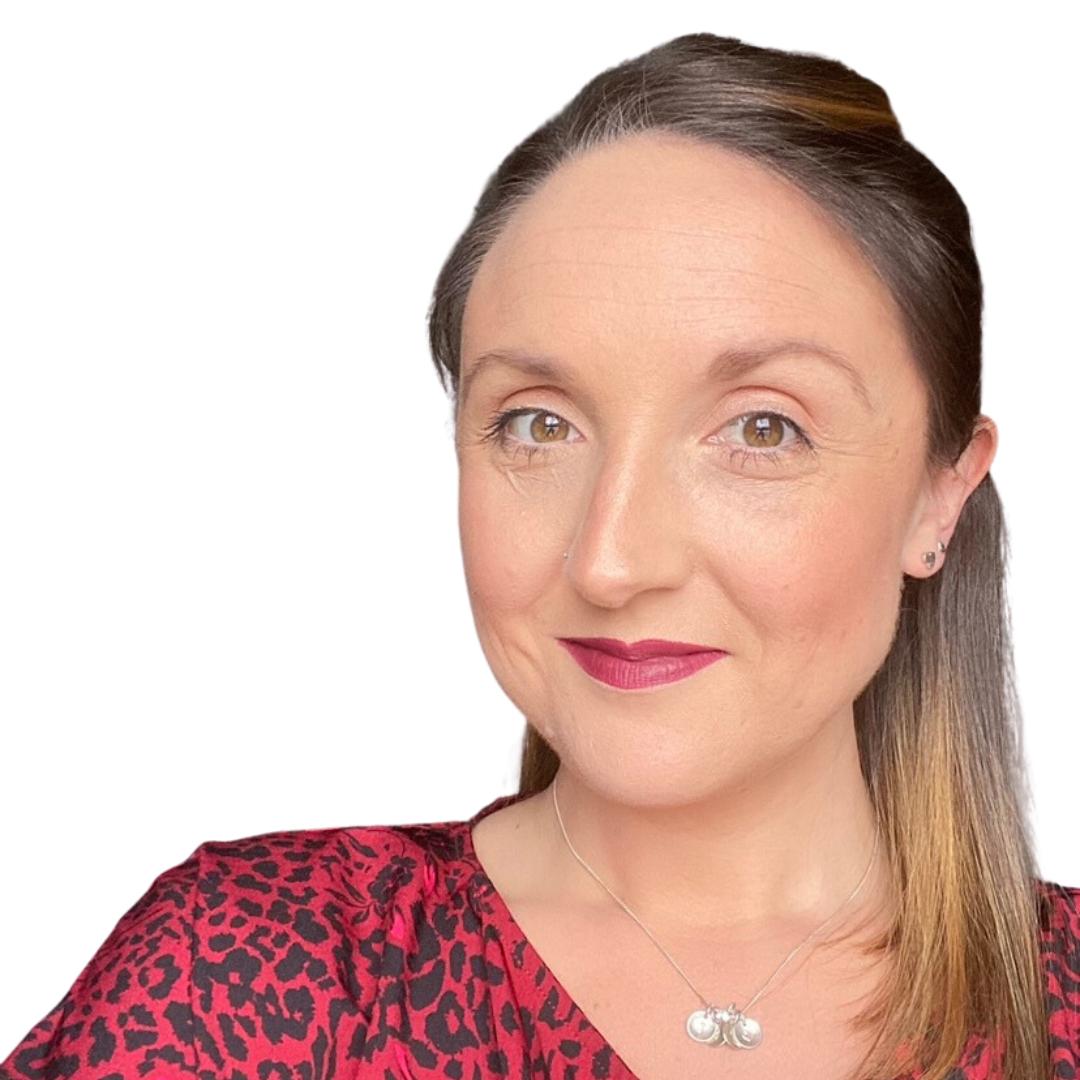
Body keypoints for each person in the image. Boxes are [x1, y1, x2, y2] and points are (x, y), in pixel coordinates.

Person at [2, 30, 1077, 1080]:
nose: (610, 561)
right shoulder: (246, 974)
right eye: (539, 424)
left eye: (762, 428)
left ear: (942, 494)